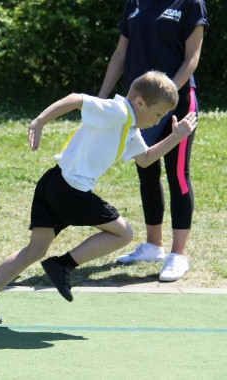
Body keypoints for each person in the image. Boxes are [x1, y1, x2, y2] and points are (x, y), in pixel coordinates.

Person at [0, 71, 197, 325]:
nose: (157, 121)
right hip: (70, 191)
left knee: (35, 249)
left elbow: (145, 159)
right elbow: (76, 99)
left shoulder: (130, 128)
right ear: (140, 102)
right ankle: (62, 265)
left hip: (53, 182)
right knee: (123, 233)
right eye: (158, 114)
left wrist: (176, 136)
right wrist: (40, 121)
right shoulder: (116, 112)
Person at [98, 0, 208, 281]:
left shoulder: (191, 4)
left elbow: (191, 58)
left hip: (179, 102)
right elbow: (121, 53)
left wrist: (167, 95)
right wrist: (101, 98)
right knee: (146, 169)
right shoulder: (134, 3)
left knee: (178, 174)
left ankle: (178, 255)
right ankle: (153, 246)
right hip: (140, 106)